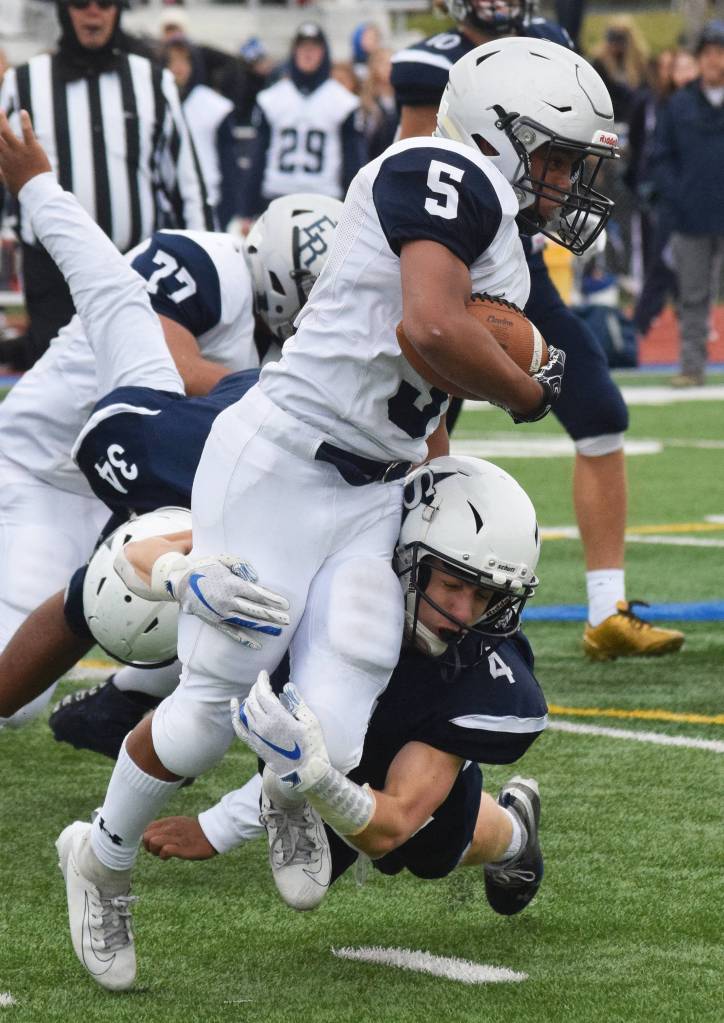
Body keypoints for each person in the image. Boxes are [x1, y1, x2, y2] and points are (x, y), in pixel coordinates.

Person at [50, 35, 605, 992]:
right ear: (499, 135)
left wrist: (465, 431)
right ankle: (100, 856)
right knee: (204, 715)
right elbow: (429, 328)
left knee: (338, 722)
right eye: (555, 157)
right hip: (281, 460)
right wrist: (532, 385)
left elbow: (431, 386)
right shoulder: (437, 170)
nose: (565, 182)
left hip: (373, 487)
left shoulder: (503, 245)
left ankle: (289, 787)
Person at [390, 0, 685, 661]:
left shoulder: (549, 42)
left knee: (601, 411)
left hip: (519, 268)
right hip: (449, 266)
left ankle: (607, 608)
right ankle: (412, 595)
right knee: (419, 431)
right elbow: (415, 171)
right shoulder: (427, 64)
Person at [139, 458, 547, 920]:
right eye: (452, 583)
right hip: (319, 714)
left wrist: (224, 824)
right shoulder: (347, 546)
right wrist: (175, 572)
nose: (463, 612)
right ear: (403, 552)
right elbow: (149, 550)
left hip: (398, 748)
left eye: (485, 595)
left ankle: (515, 833)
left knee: (429, 850)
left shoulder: (473, 669)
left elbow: (392, 825)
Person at [0, 181, 341, 731]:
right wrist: (283, 392)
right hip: (48, 470)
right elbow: (169, 371)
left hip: (143, 480)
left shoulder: (294, 344)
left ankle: (125, 701)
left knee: (246, 574)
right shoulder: (203, 265)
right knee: (17, 705)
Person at [0, 0, 212, 371]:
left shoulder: (153, 80)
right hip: (53, 272)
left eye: (105, 2)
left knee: (137, 378)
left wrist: (207, 265)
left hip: (134, 267)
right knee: (57, 381)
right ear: (65, 10)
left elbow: (187, 185)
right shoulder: (24, 82)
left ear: (118, 9)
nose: (93, 12)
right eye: (81, 3)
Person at [653, 20, 724, 388]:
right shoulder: (679, 104)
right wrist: (677, 194)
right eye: (708, 53)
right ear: (699, 59)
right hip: (691, 216)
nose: (714, 60)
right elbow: (660, 156)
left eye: (720, 53)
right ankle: (692, 367)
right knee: (692, 296)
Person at [239, 23, 366, 221]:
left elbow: (352, 160)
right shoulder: (271, 98)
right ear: (294, 51)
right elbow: (258, 156)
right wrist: (247, 210)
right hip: (276, 197)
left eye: (314, 48)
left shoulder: (343, 102)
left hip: (324, 199)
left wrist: (354, 211)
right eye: (303, 47)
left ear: (324, 53)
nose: (308, 53)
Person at [165, 38, 242, 229]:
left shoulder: (214, 106)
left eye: (184, 60)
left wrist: (226, 211)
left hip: (207, 202)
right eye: (172, 60)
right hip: (166, 203)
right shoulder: (154, 102)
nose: (178, 67)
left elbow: (229, 165)